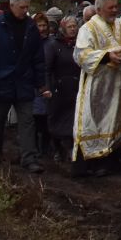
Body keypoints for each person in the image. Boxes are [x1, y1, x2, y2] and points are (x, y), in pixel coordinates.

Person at [0, 0, 48, 173]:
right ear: (12, 5)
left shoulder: (31, 28)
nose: (25, 10)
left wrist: (41, 83)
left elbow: (38, 58)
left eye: (27, 7)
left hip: (23, 82)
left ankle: (29, 158)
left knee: (27, 122)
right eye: (22, 7)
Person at [72, 0, 121, 174]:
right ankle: (91, 164)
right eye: (110, 7)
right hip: (98, 85)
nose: (114, 10)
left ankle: (112, 160)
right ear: (99, 9)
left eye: (115, 7)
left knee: (119, 119)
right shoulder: (88, 28)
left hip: (120, 83)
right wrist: (106, 56)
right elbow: (81, 54)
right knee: (94, 119)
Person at [45, 14, 82, 166]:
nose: (73, 29)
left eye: (74, 26)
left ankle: (70, 150)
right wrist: (47, 87)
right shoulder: (54, 45)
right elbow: (47, 68)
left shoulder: (79, 45)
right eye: (70, 27)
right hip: (58, 88)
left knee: (72, 120)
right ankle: (56, 148)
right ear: (63, 28)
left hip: (75, 87)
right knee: (56, 119)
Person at [31, 11, 54, 150]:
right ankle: (33, 147)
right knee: (33, 118)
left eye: (44, 25)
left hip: (48, 81)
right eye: (39, 25)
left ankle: (45, 147)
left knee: (46, 117)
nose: (42, 28)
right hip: (33, 83)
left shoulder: (52, 42)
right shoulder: (29, 42)